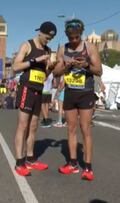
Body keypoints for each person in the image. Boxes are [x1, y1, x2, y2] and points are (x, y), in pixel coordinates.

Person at [53, 19, 102, 181]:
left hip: (85, 92)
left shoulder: (90, 47)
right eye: (71, 37)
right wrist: (66, 65)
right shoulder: (63, 49)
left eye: (76, 37)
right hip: (70, 92)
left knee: (85, 128)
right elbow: (56, 73)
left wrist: (85, 65)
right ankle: (73, 164)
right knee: (71, 129)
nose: (73, 41)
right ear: (67, 35)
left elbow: (99, 71)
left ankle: (88, 167)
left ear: (81, 34)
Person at [12, 21, 57, 176]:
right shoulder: (27, 45)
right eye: (47, 37)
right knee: (23, 125)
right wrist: (35, 60)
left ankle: (30, 158)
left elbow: (45, 75)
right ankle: (19, 162)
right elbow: (15, 67)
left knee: (33, 126)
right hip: (26, 88)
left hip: (39, 89)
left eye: (51, 38)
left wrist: (50, 68)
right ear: (40, 33)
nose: (48, 40)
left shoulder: (48, 50)